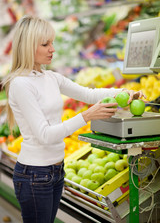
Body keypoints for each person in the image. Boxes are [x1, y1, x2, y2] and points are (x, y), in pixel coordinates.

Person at [2, 15, 145, 223]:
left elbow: (88, 94)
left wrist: (124, 92)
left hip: (57, 171)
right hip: (34, 175)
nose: (53, 49)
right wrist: (87, 116)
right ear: (28, 47)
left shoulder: (50, 77)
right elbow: (44, 135)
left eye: (52, 42)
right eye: (45, 44)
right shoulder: (20, 85)